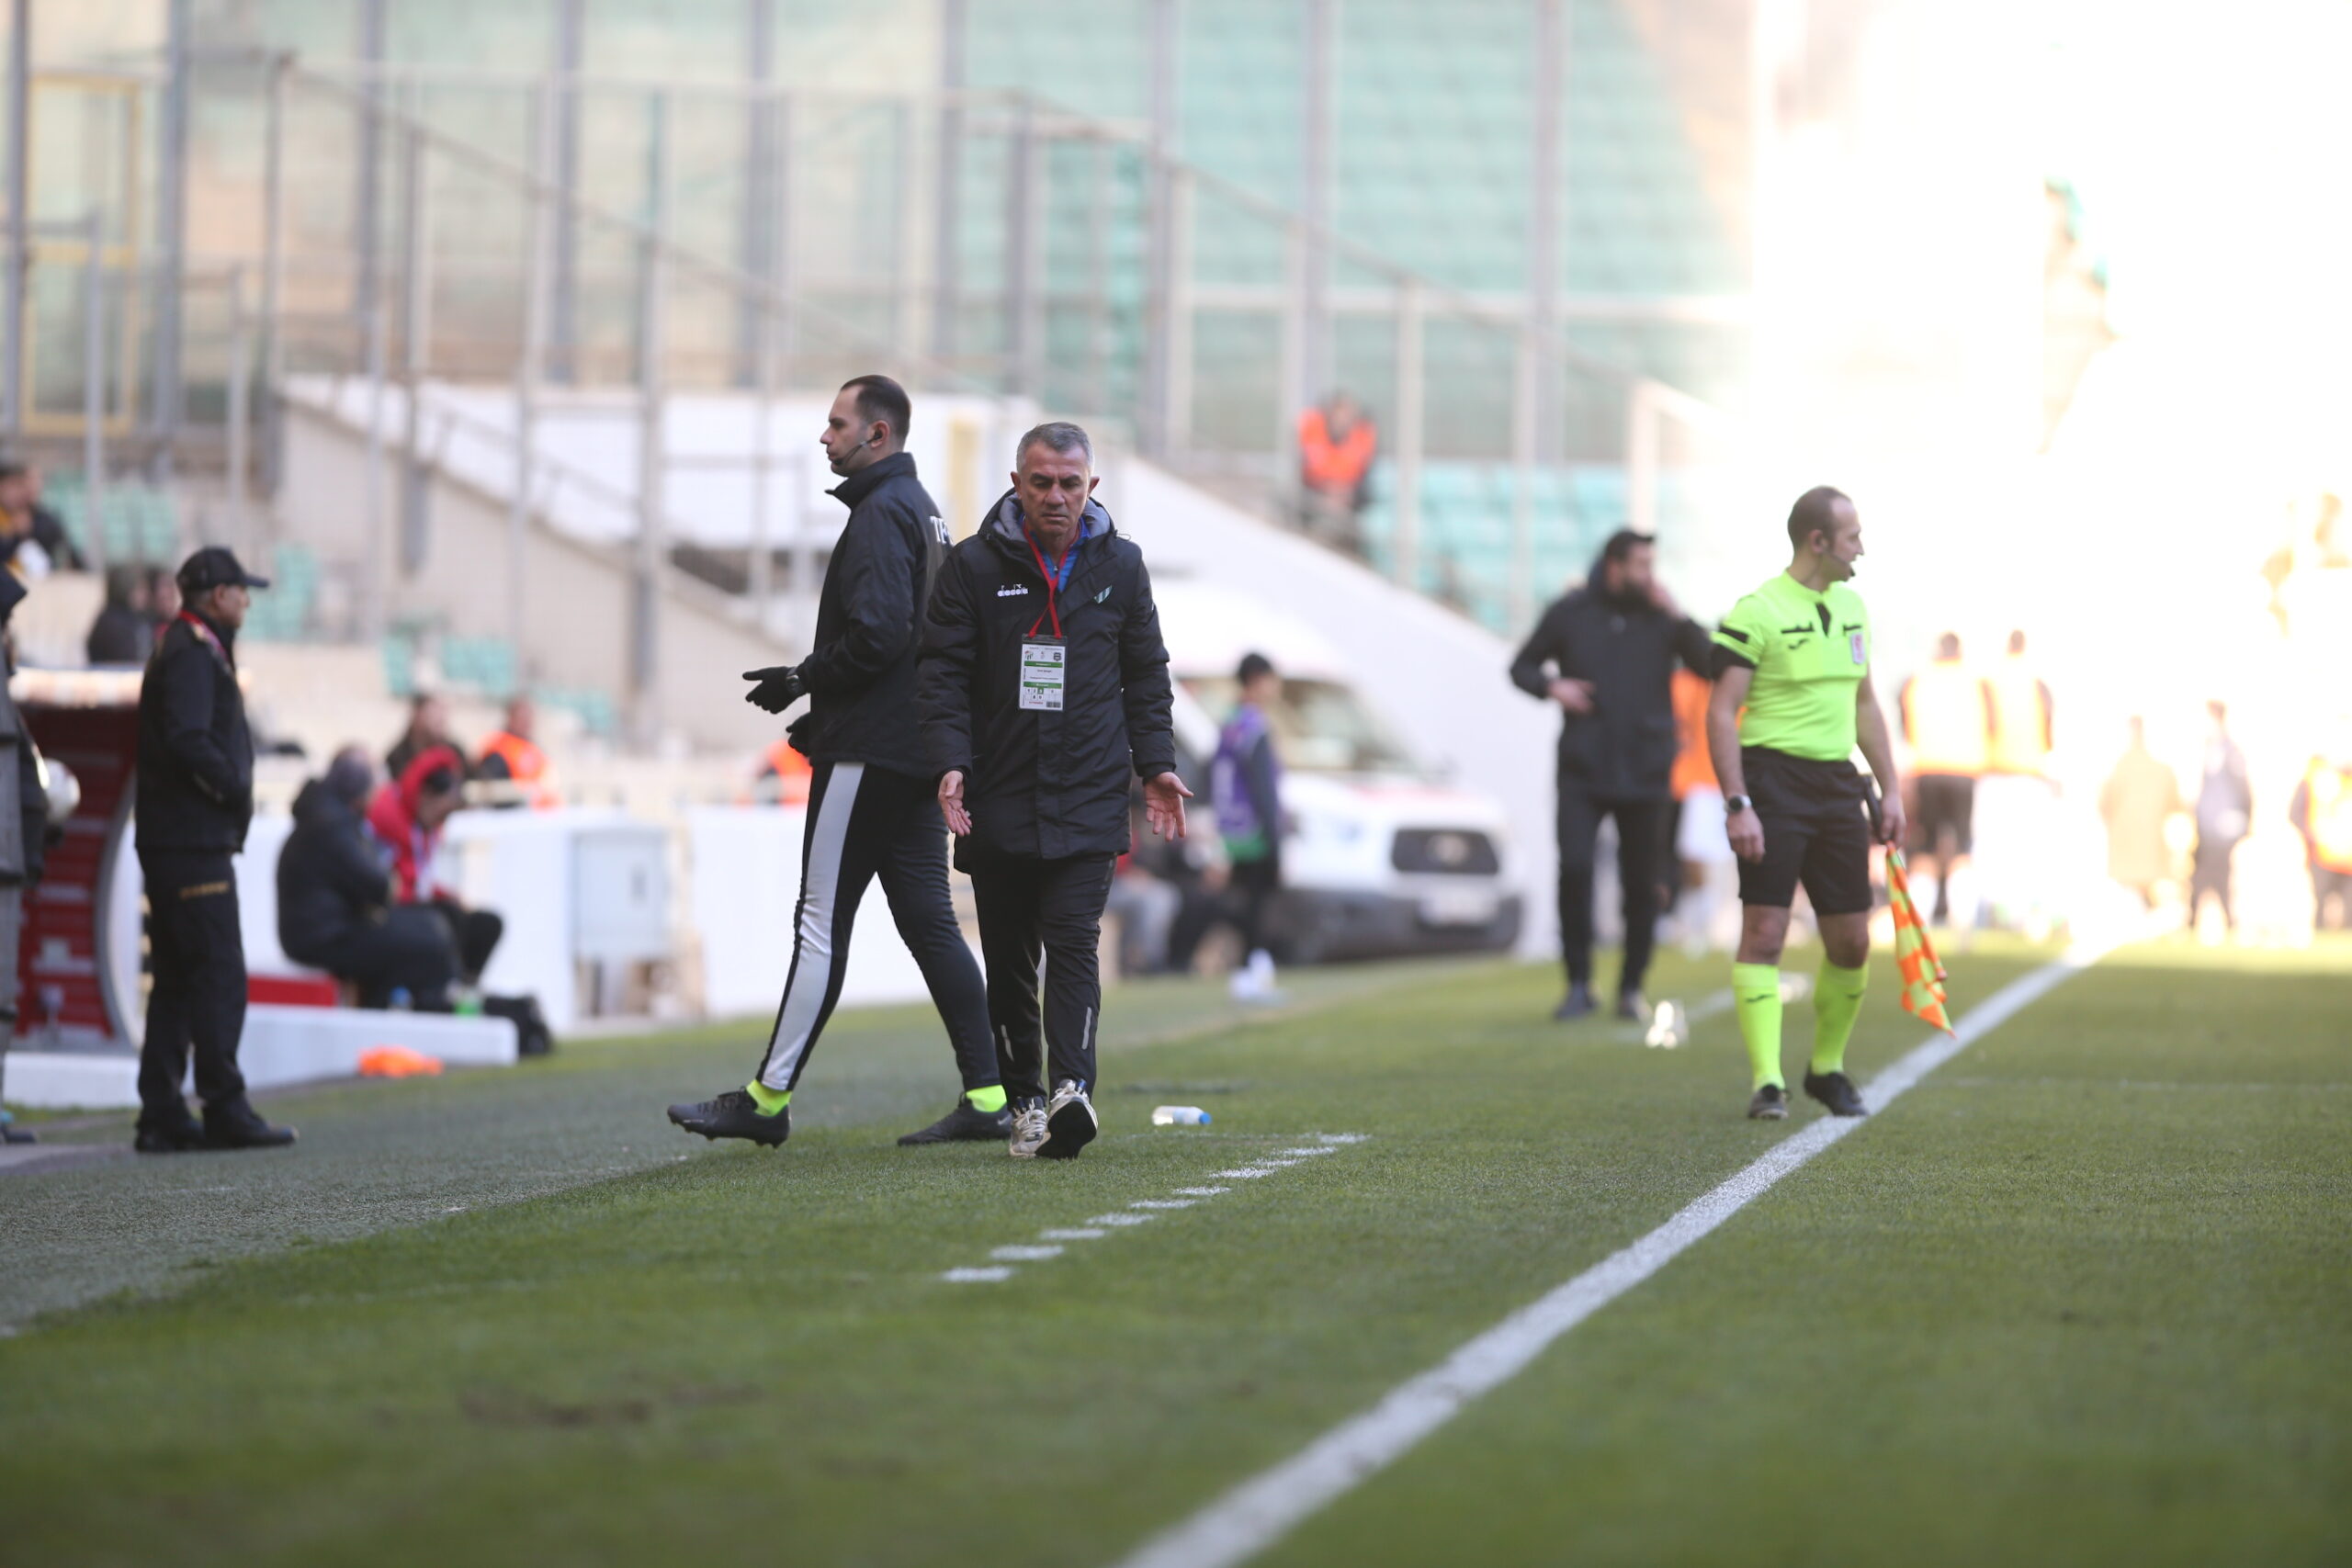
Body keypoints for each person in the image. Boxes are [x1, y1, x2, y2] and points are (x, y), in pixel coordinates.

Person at [667, 374, 1008, 1150]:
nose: (825, 436)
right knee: (930, 921)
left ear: (877, 434)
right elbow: (911, 644)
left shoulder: (882, 512)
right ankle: (990, 1094)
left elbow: (880, 636)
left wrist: (803, 680)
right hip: (913, 749)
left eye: (837, 424)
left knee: (820, 922)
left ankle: (767, 1098)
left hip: (871, 754)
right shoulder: (922, 509)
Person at [920, 420, 1187, 1160]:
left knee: (1073, 944)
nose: (1056, 496)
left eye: (1071, 483)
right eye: (1041, 482)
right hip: (998, 794)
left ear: (1091, 486)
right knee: (1010, 959)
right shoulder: (973, 567)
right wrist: (949, 759)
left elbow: (1147, 674)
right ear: (1016, 484)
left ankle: (1071, 1088)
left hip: (1089, 793)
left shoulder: (1122, 567)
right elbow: (940, 674)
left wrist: (1155, 764)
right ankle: (1026, 1104)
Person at [1707, 487, 1905, 1122]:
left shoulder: (1853, 607)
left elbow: (1865, 704)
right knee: (1765, 932)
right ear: (1817, 542)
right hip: (1773, 784)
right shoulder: (1757, 610)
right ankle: (1768, 1082)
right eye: (1852, 537)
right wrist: (1738, 802)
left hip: (1838, 786)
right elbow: (1720, 712)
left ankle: (1826, 1069)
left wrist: (1891, 788)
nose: (1861, 549)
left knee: (1852, 941)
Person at [1509, 528, 1713, 1021]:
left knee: (1642, 884)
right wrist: (1552, 687)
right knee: (1576, 869)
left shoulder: (1662, 618)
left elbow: (1709, 664)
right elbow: (1521, 667)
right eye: (1641, 565)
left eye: (1651, 564)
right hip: (1583, 768)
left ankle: (1630, 988)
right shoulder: (1571, 612)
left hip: (1646, 771)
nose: (1649, 575)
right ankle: (1579, 983)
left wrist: (1679, 615)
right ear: (1615, 565)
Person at [132, 547, 294, 1152]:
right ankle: (223, 1106)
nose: (247, 600)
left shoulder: (184, 646)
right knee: (218, 973)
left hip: (176, 838)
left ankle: (162, 1113)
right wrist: (233, 787)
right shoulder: (193, 653)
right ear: (219, 595)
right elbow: (188, 739)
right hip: (191, 841)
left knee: (177, 977)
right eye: (241, 590)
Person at [277, 747, 460, 1007]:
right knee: (428, 941)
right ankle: (394, 1012)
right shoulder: (332, 824)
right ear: (360, 793)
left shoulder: (328, 816)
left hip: (325, 929)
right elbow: (379, 885)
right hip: (322, 937)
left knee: (429, 927)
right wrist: (390, 884)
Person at [367, 744, 503, 986]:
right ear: (426, 794)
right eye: (443, 812)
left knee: (487, 924)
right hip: (387, 907)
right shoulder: (388, 816)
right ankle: (447, 990)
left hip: (413, 899)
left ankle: (464, 988)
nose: (443, 820)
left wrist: (447, 895)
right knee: (445, 920)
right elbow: (389, 879)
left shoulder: (426, 826)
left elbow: (421, 877)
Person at [1897, 632, 1992, 926]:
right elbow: (1992, 726)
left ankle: (1919, 916)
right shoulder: (1974, 682)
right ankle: (1962, 919)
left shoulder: (1919, 680)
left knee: (1925, 844)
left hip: (1928, 769)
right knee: (1962, 844)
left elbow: (1905, 725)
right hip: (1964, 771)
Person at [1210, 652, 1286, 1000]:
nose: (1275, 687)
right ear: (1257, 679)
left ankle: (1247, 973)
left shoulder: (1230, 723)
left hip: (1232, 828)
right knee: (1259, 904)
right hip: (1255, 830)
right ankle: (1252, 975)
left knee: (1245, 903)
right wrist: (1276, 838)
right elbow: (1264, 787)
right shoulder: (1255, 727)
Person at [2098, 716, 2183, 909]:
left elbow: (2104, 804)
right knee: (2142, 884)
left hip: (2126, 840)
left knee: (2131, 889)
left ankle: (2139, 909)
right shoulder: (2160, 769)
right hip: (2149, 841)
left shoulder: (2120, 768)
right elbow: (2175, 804)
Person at [2188, 700, 2251, 935]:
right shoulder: (2209, 750)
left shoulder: (2228, 752)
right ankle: (2194, 923)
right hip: (2206, 828)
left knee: (2217, 880)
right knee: (2201, 880)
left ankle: (2228, 925)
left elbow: (2242, 791)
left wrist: (2241, 822)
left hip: (2220, 830)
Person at [1296, 392, 1377, 549]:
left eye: (1347, 415)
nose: (1342, 420)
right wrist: (1325, 491)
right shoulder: (1312, 433)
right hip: (1315, 500)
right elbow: (1302, 475)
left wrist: (1348, 495)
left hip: (1349, 504)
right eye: (1339, 414)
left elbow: (1366, 483)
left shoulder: (1362, 438)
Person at [2290, 733, 2352, 931]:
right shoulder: (2315, 775)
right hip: (2322, 853)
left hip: (2348, 856)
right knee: (2320, 904)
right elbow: (2296, 813)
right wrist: (2312, 835)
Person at [0, 462, 86, 574]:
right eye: (12, 486)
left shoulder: (43, 519)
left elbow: (64, 551)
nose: (17, 493)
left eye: (19, 486)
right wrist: (15, 536)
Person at [475, 695, 555, 809]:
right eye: (522, 717)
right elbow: (492, 789)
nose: (527, 722)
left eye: (529, 716)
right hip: (511, 814)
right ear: (510, 717)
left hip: (538, 813)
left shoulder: (534, 749)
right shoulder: (498, 748)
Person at [86, 565, 154, 664]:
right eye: (140, 589)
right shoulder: (112, 622)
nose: (145, 594)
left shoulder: (139, 617)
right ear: (127, 590)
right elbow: (126, 660)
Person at [386, 692, 455, 784]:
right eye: (432, 715)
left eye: (442, 714)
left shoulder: (453, 752)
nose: (440, 719)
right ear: (417, 714)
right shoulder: (397, 757)